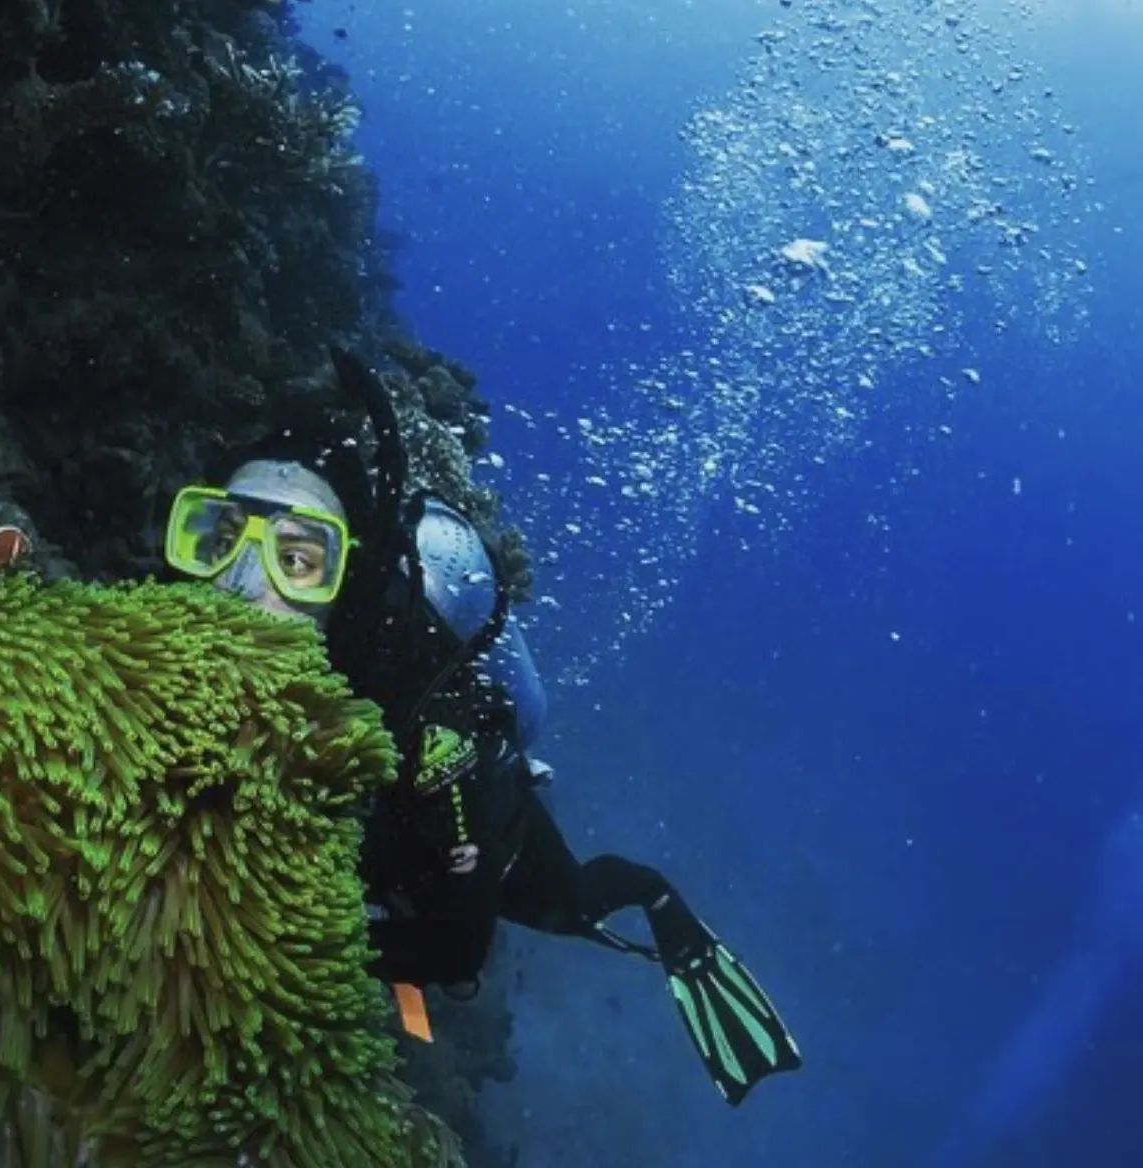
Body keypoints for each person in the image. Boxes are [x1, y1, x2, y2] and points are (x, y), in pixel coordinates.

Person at [156, 348, 803, 1107]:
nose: (241, 582)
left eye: (297, 559)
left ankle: (661, 909)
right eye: (219, 537)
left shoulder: (429, 726)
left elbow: (457, 949)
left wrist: (279, 945)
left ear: (350, 581)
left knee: (566, 900)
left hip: (470, 837)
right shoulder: (174, 629)